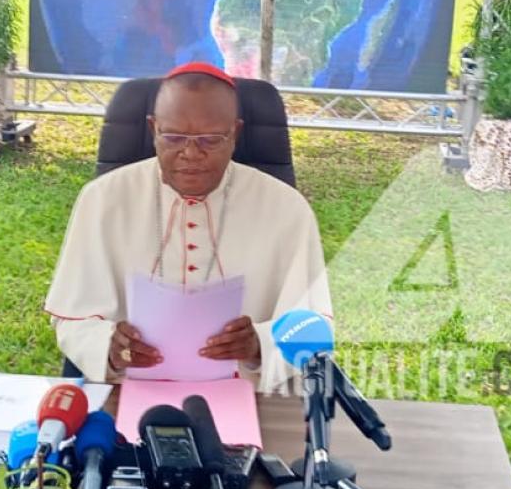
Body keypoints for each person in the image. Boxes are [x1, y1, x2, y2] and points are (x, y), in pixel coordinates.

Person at [45, 62, 332, 393]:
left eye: (210, 139)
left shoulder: (287, 209)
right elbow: (72, 320)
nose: (191, 153)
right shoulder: (103, 200)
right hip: (125, 394)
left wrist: (259, 347)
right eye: (173, 137)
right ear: (153, 129)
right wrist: (109, 347)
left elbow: (312, 327)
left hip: (251, 397)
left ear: (235, 134)